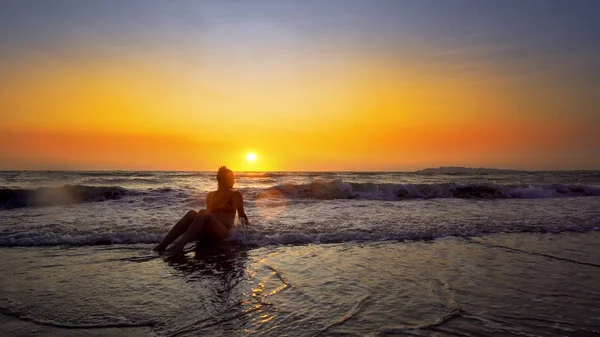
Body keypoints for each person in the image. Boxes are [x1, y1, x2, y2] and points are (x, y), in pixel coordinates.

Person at [153, 166, 249, 253]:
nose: (233, 181)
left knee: (203, 212)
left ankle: (180, 244)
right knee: (191, 213)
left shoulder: (235, 195)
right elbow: (207, 216)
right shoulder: (211, 195)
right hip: (208, 230)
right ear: (223, 180)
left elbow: (242, 215)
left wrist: (249, 236)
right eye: (231, 178)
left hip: (224, 231)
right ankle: (162, 245)